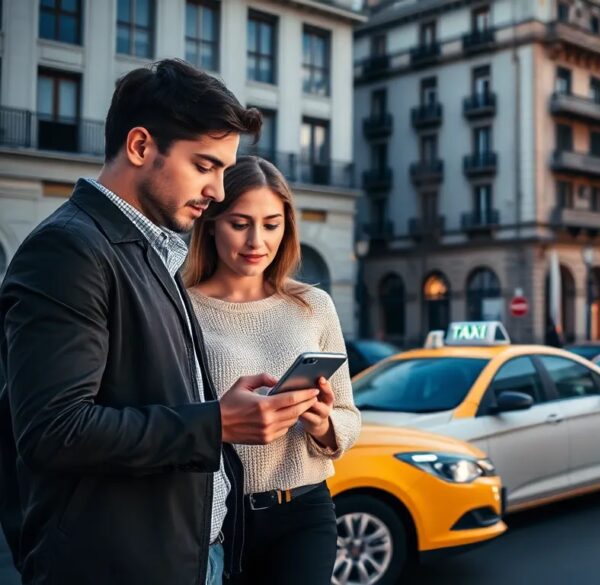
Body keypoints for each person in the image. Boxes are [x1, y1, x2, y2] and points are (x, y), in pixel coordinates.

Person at [0, 59, 321, 585]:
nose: (218, 190)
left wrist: (218, 404)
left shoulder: (149, 248)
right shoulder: (70, 250)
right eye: (205, 165)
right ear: (141, 146)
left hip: (186, 558)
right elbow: (54, 431)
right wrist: (217, 423)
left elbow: (144, 394)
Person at [185, 156, 361, 585]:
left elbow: (350, 418)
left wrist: (322, 425)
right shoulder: (181, 306)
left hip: (303, 512)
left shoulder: (313, 305)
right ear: (210, 223)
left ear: (287, 228)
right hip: (213, 521)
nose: (256, 241)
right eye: (239, 223)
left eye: (271, 224)